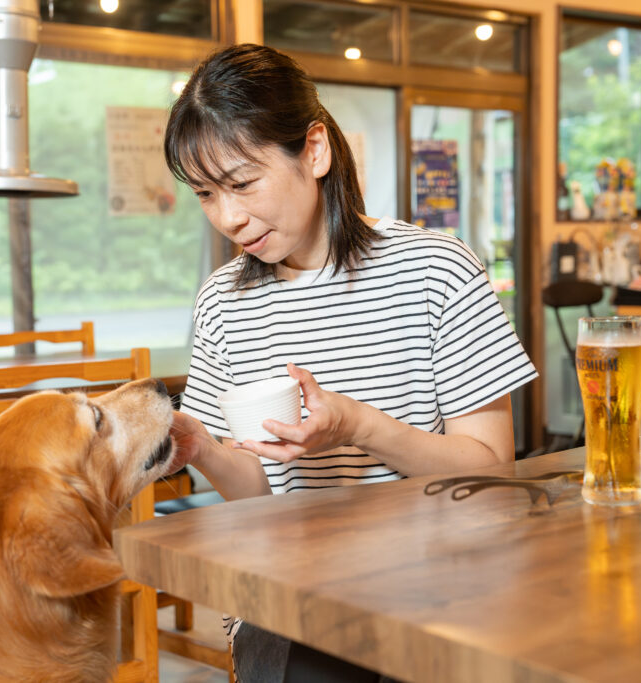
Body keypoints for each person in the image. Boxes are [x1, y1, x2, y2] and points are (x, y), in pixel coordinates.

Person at [163, 43, 537, 682]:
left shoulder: (436, 270)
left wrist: (358, 427)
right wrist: (199, 448)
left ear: (313, 151)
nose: (229, 217)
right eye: (205, 193)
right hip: (291, 600)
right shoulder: (223, 301)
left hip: (439, 587)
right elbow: (257, 487)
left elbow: (491, 468)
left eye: (242, 183)